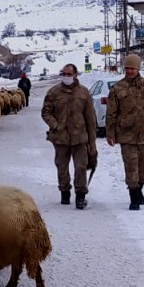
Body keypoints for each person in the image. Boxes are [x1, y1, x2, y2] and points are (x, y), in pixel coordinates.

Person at [104, 53, 144, 211]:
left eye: (132, 68)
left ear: (138, 68)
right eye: (127, 68)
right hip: (126, 135)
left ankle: (138, 189)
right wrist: (110, 133)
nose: (129, 71)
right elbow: (111, 113)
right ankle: (134, 197)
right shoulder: (117, 88)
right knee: (131, 166)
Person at [41, 63, 98, 210]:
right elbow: (45, 112)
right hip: (60, 138)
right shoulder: (53, 92)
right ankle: (64, 191)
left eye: (69, 74)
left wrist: (92, 142)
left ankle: (80, 195)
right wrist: (55, 125)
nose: (66, 77)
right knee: (62, 167)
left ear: (75, 75)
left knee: (81, 167)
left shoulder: (84, 93)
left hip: (80, 137)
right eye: (64, 74)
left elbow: (90, 119)